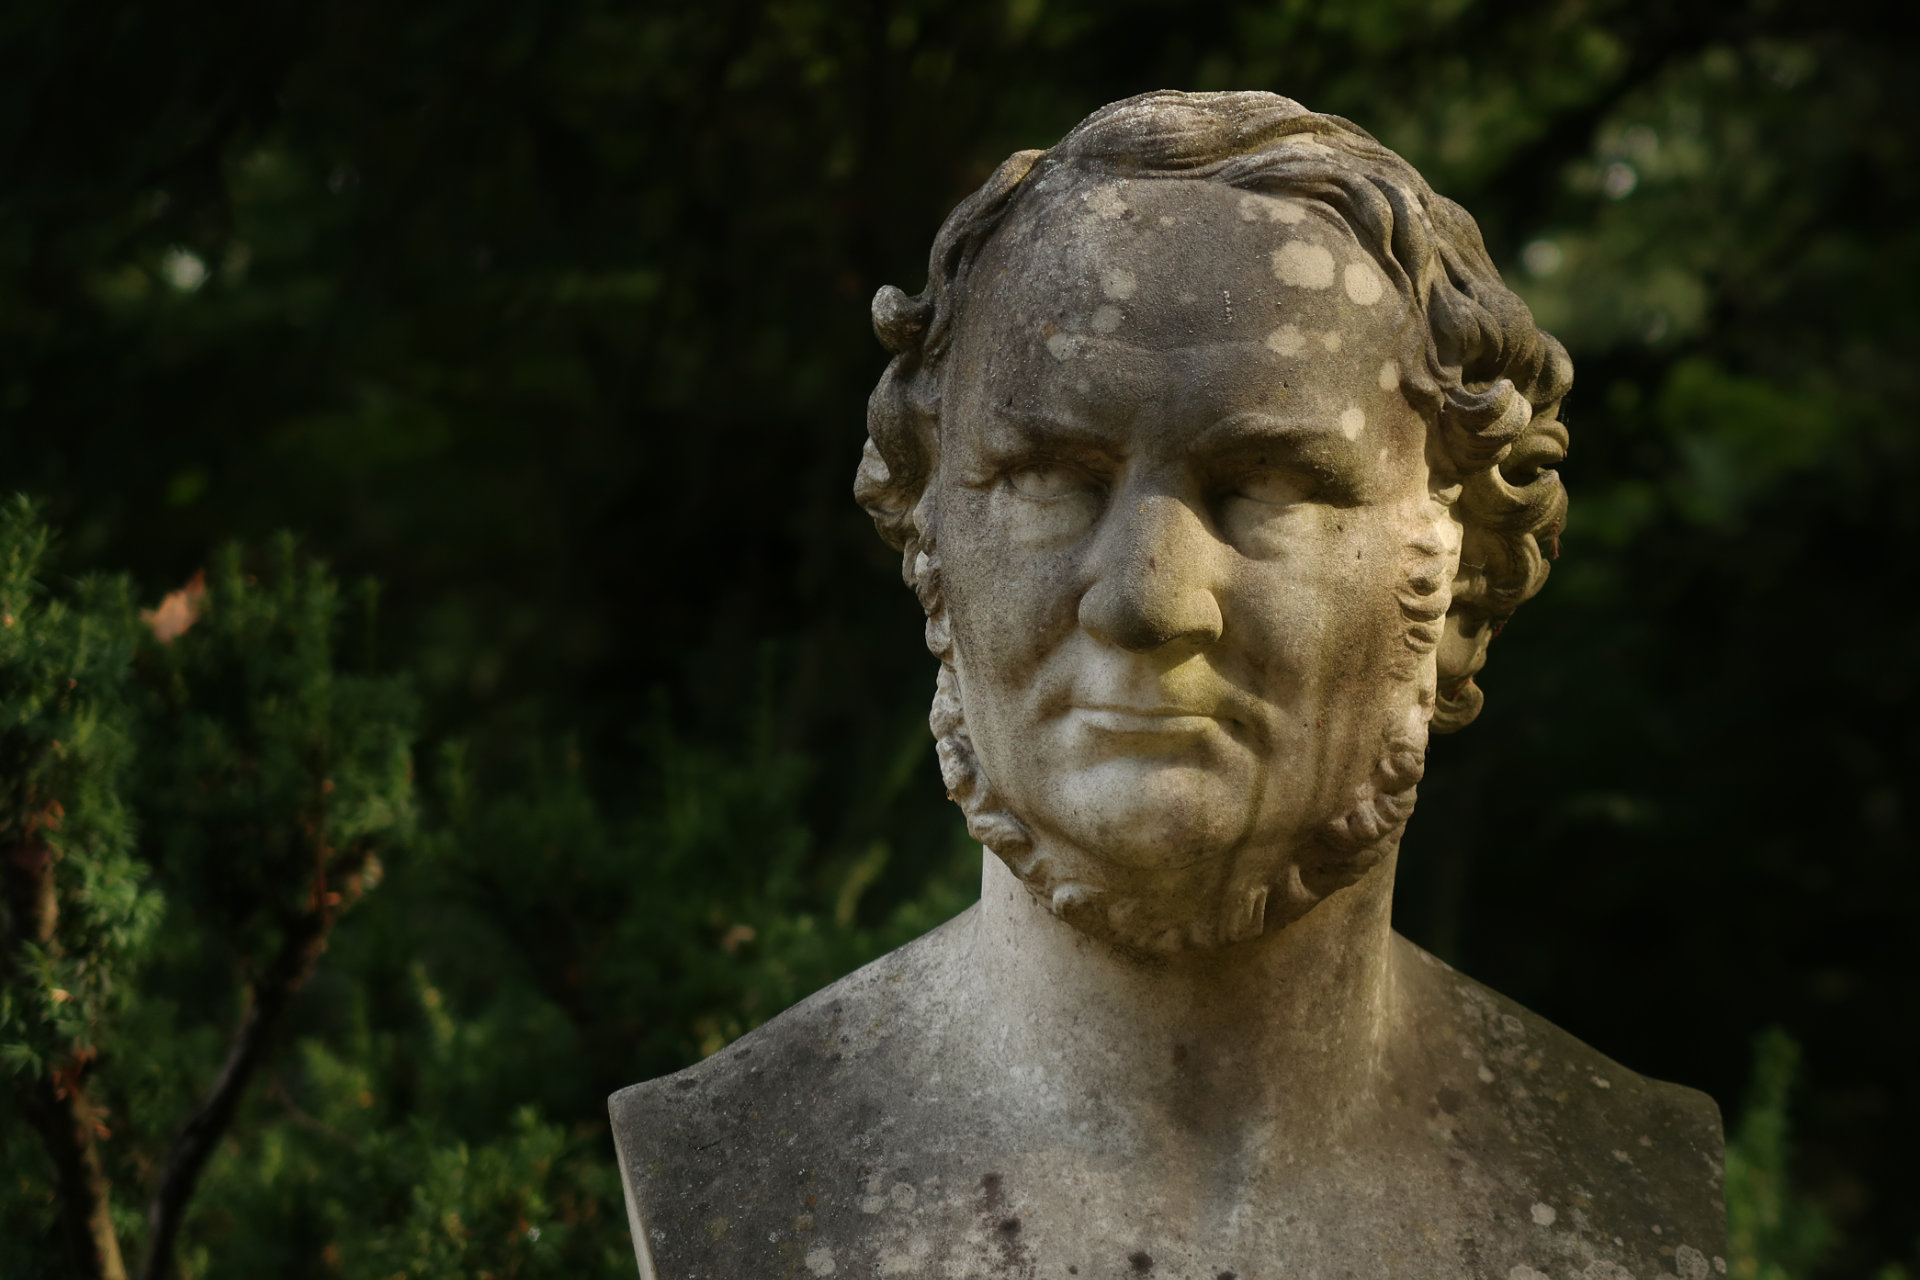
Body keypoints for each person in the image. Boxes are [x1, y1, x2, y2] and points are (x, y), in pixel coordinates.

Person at [611, 90, 1724, 1280]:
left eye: (1270, 482)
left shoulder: (1624, 1180)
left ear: (1462, 573)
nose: (1147, 598)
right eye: (1053, 475)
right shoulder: (729, 1175)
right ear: (928, 546)